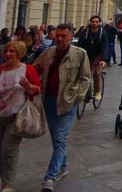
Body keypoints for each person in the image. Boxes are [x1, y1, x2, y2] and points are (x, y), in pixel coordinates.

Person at [33, 23, 90, 192]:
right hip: (49, 100)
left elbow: (86, 78)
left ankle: (50, 177)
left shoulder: (80, 54)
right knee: (57, 138)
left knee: (60, 139)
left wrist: (77, 97)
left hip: (67, 101)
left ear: (71, 37)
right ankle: (63, 165)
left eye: (63, 36)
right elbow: (35, 67)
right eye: (57, 35)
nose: (59, 38)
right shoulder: (49, 52)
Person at [0, 41, 41, 191]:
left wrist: (28, 87)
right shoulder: (1, 70)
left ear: (19, 53)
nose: (8, 54)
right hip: (1, 115)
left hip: (18, 116)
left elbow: (37, 90)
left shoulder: (27, 69)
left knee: (8, 150)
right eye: (6, 51)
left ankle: (7, 184)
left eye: (12, 51)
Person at [77, 16, 108, 101]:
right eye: (93, 22)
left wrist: (103, 59)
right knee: (85, 74)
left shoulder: (103, 33)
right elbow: (80, 44)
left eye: (96, 22)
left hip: (98, 55)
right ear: (90, 22)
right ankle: (85, 90)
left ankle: (97, 91)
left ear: (99, 23)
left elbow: (104, 47)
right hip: (87, 55)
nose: (94, 23)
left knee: (97, 73)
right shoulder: (85, 32)